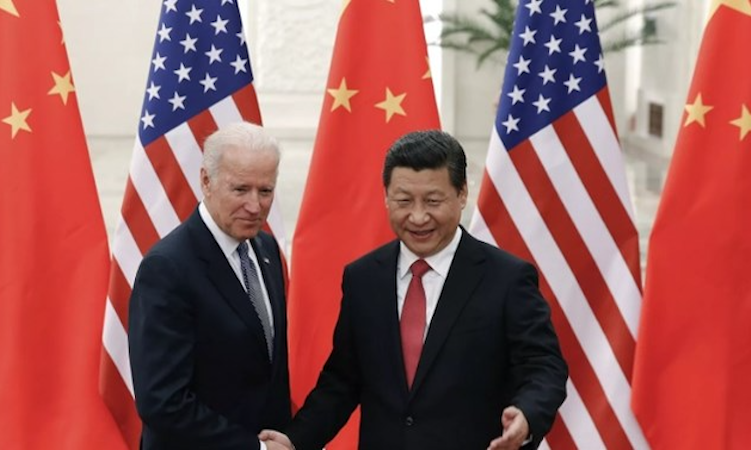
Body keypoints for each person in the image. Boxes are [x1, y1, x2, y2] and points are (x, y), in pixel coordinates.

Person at [263, 130, 567, 450]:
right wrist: (294, 441)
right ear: (386, 197)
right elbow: (342, 382)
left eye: (433, 201)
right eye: (404, 201)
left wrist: (527, 416)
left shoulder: (507, 278)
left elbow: (544, 367)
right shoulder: (363, 278)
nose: (419, 217)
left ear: (462, 194)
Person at [128, 122, 291, 450]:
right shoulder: (168, 268)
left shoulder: (267, 250)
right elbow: (163, 401)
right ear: (206, 180)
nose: (255, 206)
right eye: (240, 189)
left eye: (265, 191)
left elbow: (267, 372)